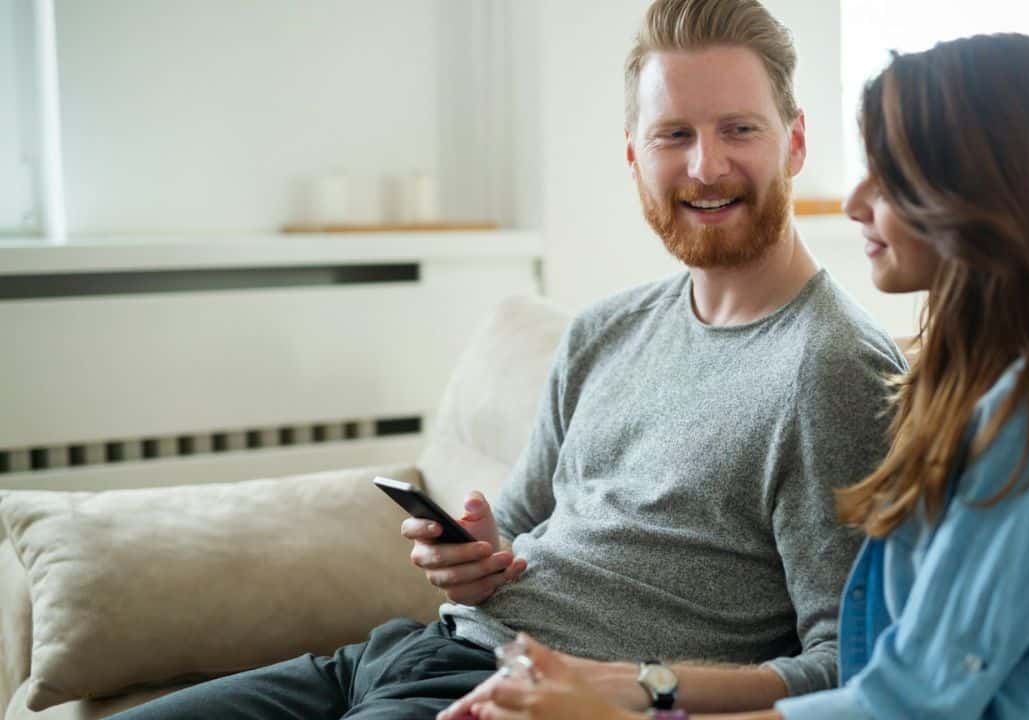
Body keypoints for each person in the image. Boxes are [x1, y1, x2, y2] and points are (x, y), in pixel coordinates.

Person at [110, 1, 904, 718]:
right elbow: (516, 526)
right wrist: (473, 556)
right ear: (634, 156)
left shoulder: (833, 371)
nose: (705, 166)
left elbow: (849, 667)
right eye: (674, 135)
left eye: (739, 129)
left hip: (514, 695)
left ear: (795, 142)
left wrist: (641, 686)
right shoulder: (604, 332)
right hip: (401, 653)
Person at [465, 32, 1029, 720]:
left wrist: (621, 710)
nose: (853, 203)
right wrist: (638, 686)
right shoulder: (978, 396)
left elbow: (901, 704)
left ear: (990, 196)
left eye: (893, 176)